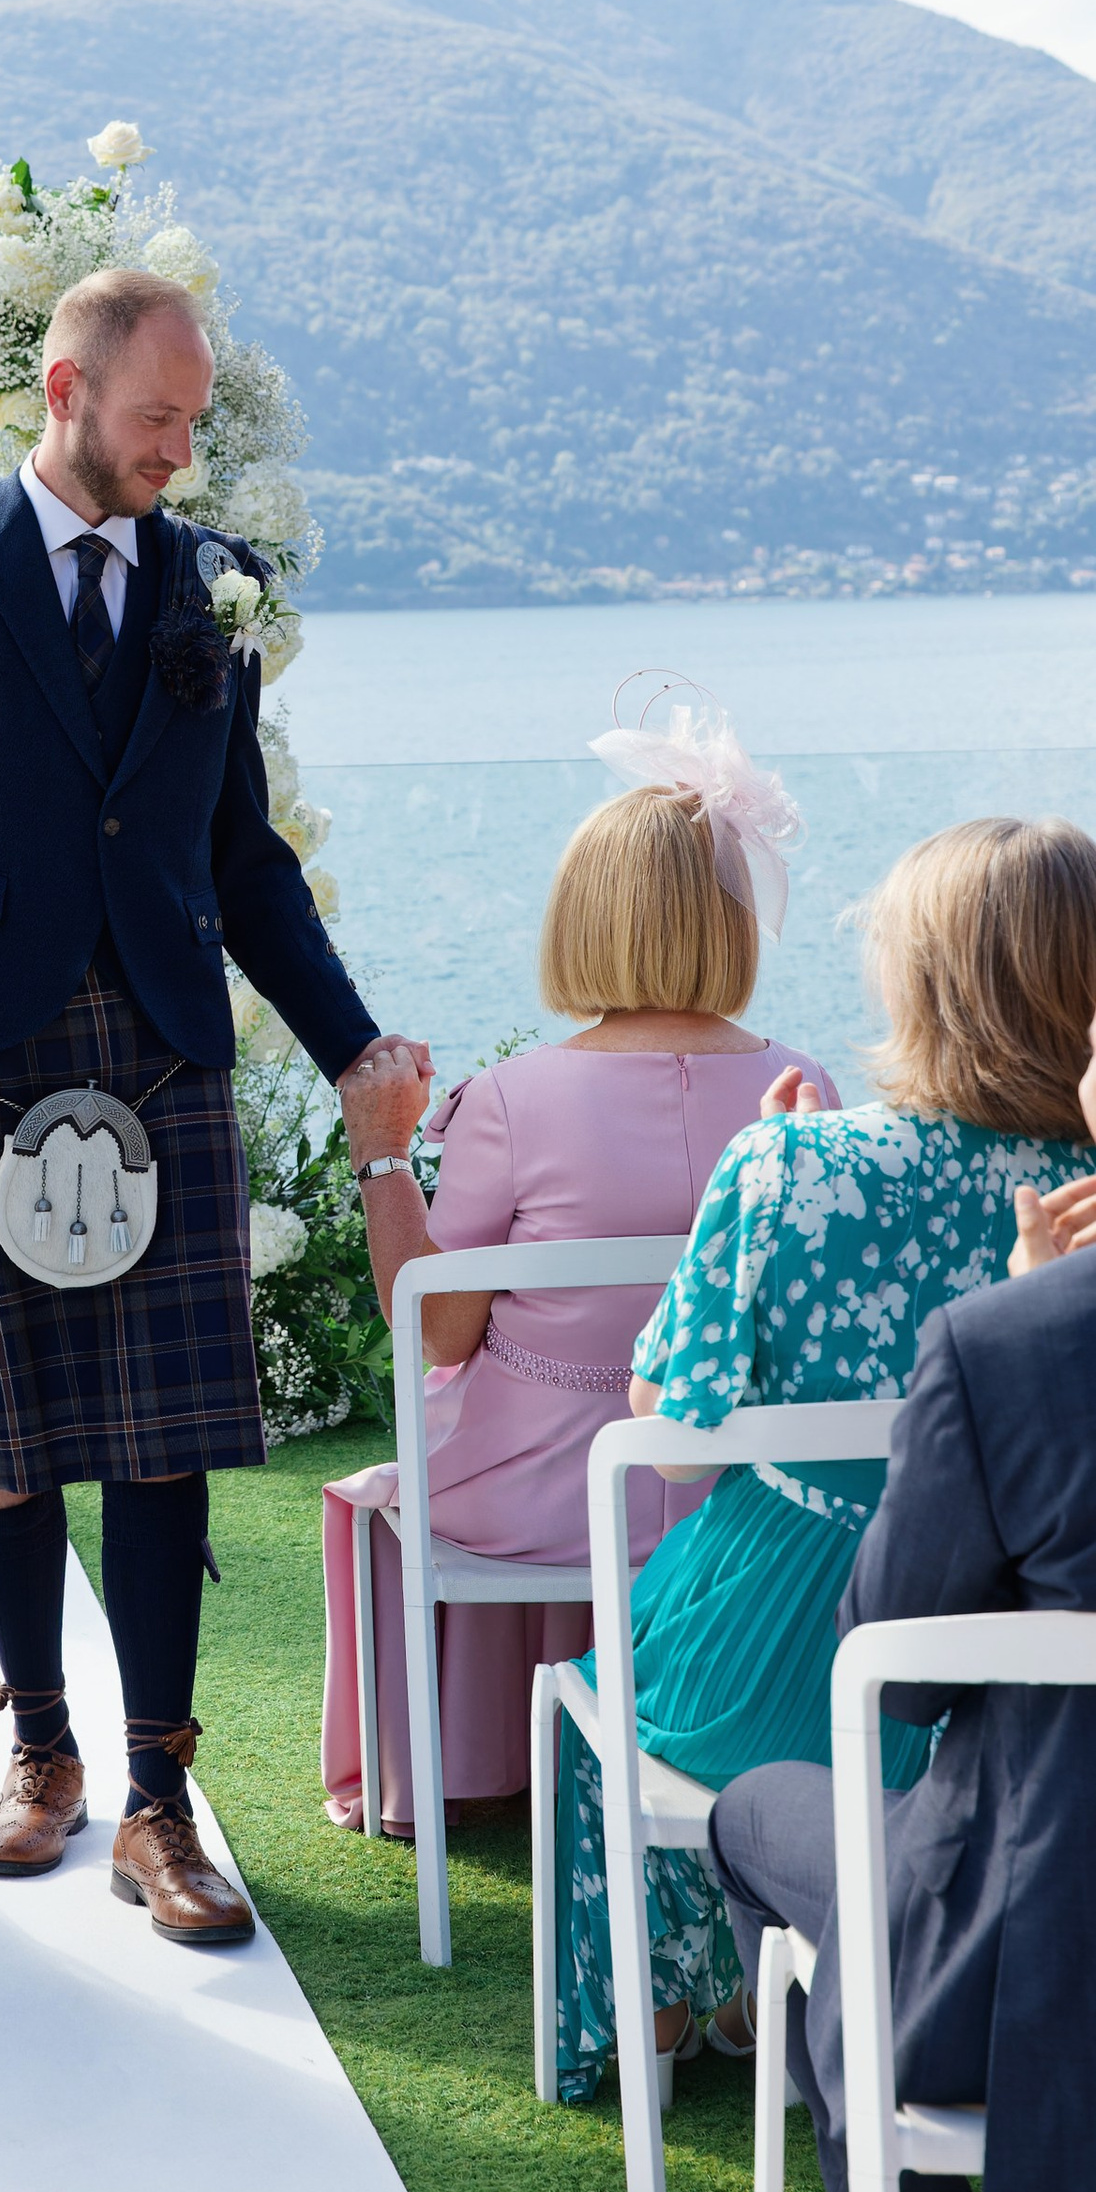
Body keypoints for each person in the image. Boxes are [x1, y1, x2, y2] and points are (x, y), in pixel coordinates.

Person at [0, 268, 424, 1945]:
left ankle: (159, 1798)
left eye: (198, 419)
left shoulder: (218, 586)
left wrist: (349, 1038)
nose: (181, 447)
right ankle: (43, 1753)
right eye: (160, 416)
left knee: (160, 1436)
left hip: (157, 1034)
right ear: (65, 387)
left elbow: (241, 857)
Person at [546, 813, 1096, 2105]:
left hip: (770, 1657)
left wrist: (772, 1176)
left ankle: (668, 2013)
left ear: (925, 989)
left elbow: (664, 1425)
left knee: (597, 1702)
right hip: (1008, 1687)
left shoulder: (788, 1165)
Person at [709, 991, 1096, 2192]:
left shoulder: (1008, 1344)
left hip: (1016, 1950)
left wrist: (1013, 1304)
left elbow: (900, 1658)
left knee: (761, 1815)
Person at [326, 730, 833, 1843]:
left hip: (539, 1501)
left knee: (383, 1490)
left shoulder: (512, 1098)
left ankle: (465, 1765)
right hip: (737, 1497)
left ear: (582, 919)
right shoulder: (809, 1083)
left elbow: (439, 1331)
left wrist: (383, 1154)